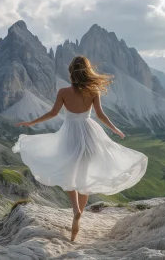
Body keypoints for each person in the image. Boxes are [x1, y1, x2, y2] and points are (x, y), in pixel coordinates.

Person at [13, 55, 148, 241]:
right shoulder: (93, 91)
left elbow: (52, 113)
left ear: (71, 73)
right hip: (90, 135)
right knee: (84, 179)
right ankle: (79, 215)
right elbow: (100, 115)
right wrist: (115, 130)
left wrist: (31, 122)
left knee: (70, 176)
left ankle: (75, 209)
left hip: (70, 136)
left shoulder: (63, 92)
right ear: (87, 72)